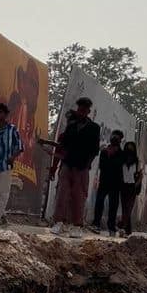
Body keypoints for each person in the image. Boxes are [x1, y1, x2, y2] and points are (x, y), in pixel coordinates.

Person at [50, 98, 101, 236]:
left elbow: (94, 150)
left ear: (88, 111)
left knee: (78, 197)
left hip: (82, 167)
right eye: (80, 109)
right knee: (62, 194)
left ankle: (77, 226)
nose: (81, 112)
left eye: (84, 110)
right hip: (67, 164)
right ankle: (58, 223)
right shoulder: (71, 125)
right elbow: (63, 145)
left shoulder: (94, 128)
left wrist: (87, 165)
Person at [92, 130, 125, 236]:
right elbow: (102, 166)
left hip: (116, 183)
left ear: (120, 140)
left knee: (113, 205)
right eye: (113, 135)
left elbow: (120, 167)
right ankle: (96, 224)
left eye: (117, 136)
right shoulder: (104, 151)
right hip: (104, 181)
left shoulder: (122, 154)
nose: (115, 137)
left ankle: (111, 227)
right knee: (99, 202)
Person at [119, 141, 142, 236]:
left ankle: (122, 226)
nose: (129, 149)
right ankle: (127, 231)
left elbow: (140, 174)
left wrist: (137, 184)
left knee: (129, 208)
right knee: (125, 208)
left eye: (131, 148)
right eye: (128, 147)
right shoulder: (122, 160)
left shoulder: (137, 161)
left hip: (132, 186)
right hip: (123, 186)